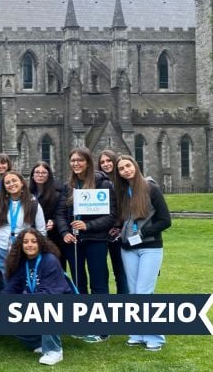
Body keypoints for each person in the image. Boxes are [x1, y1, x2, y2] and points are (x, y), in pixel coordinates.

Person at [56, 147, 115, 343]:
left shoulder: (102, 183)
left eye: (80, 160)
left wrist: (87, 225)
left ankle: (102, 329)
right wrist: (64, 232)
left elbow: (110, 216)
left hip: (95, 240)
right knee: (79, 284)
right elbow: (60, 214)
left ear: (88, 162)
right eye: (73, 160)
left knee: (98, 283)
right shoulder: (69, 186)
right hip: (74, 242)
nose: (76, 164)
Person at [114, 154, 172, 351]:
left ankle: (155, 337)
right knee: (133, 292)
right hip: (127, 249)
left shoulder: (151, 189)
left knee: (144, 292)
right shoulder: (123, 192)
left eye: (128, 166)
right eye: (121, 169)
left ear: (135, 166)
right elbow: (126, 220)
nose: (126, 170)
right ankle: (137, 334)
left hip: (150, 248)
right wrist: (119, 231)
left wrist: (141, 235)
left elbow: (165, 220)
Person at [3, 229, 72, 366]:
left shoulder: (50, 260)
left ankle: (54, 351)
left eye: (34, 241)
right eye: (26, 242)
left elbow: (50, 294)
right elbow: (11, 289)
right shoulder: (23, 263)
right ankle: (40, 343)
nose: (30, 245)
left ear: (40, 243)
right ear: (20, 245)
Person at [0, 171, 46, 272]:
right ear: (4, 186)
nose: (11, 184)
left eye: (14, 181)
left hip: (23, 247)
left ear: (22, 183)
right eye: (8, 182)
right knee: (2, 279)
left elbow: (41, 230)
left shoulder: (33, 203)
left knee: (21, 277)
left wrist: (38, 248)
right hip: (0, 247)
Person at [98, 149, 128, 295]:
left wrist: (119, 226)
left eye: (109, 160)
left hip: (119, 233)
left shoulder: (124, 183)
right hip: (101, 233)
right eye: (102, 162)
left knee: (120, 272)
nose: (106, 164)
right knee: (101, 273)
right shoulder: (97, 183)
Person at [29, 161, 65, 268]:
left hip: (53, 235)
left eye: (44, 173)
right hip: (34, 233)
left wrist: (53, 221)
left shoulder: (57, 192)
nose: (40, 175)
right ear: (32, 175)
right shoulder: (28, 193)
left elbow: (60, 211)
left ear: (49, 175)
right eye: (37, 172)